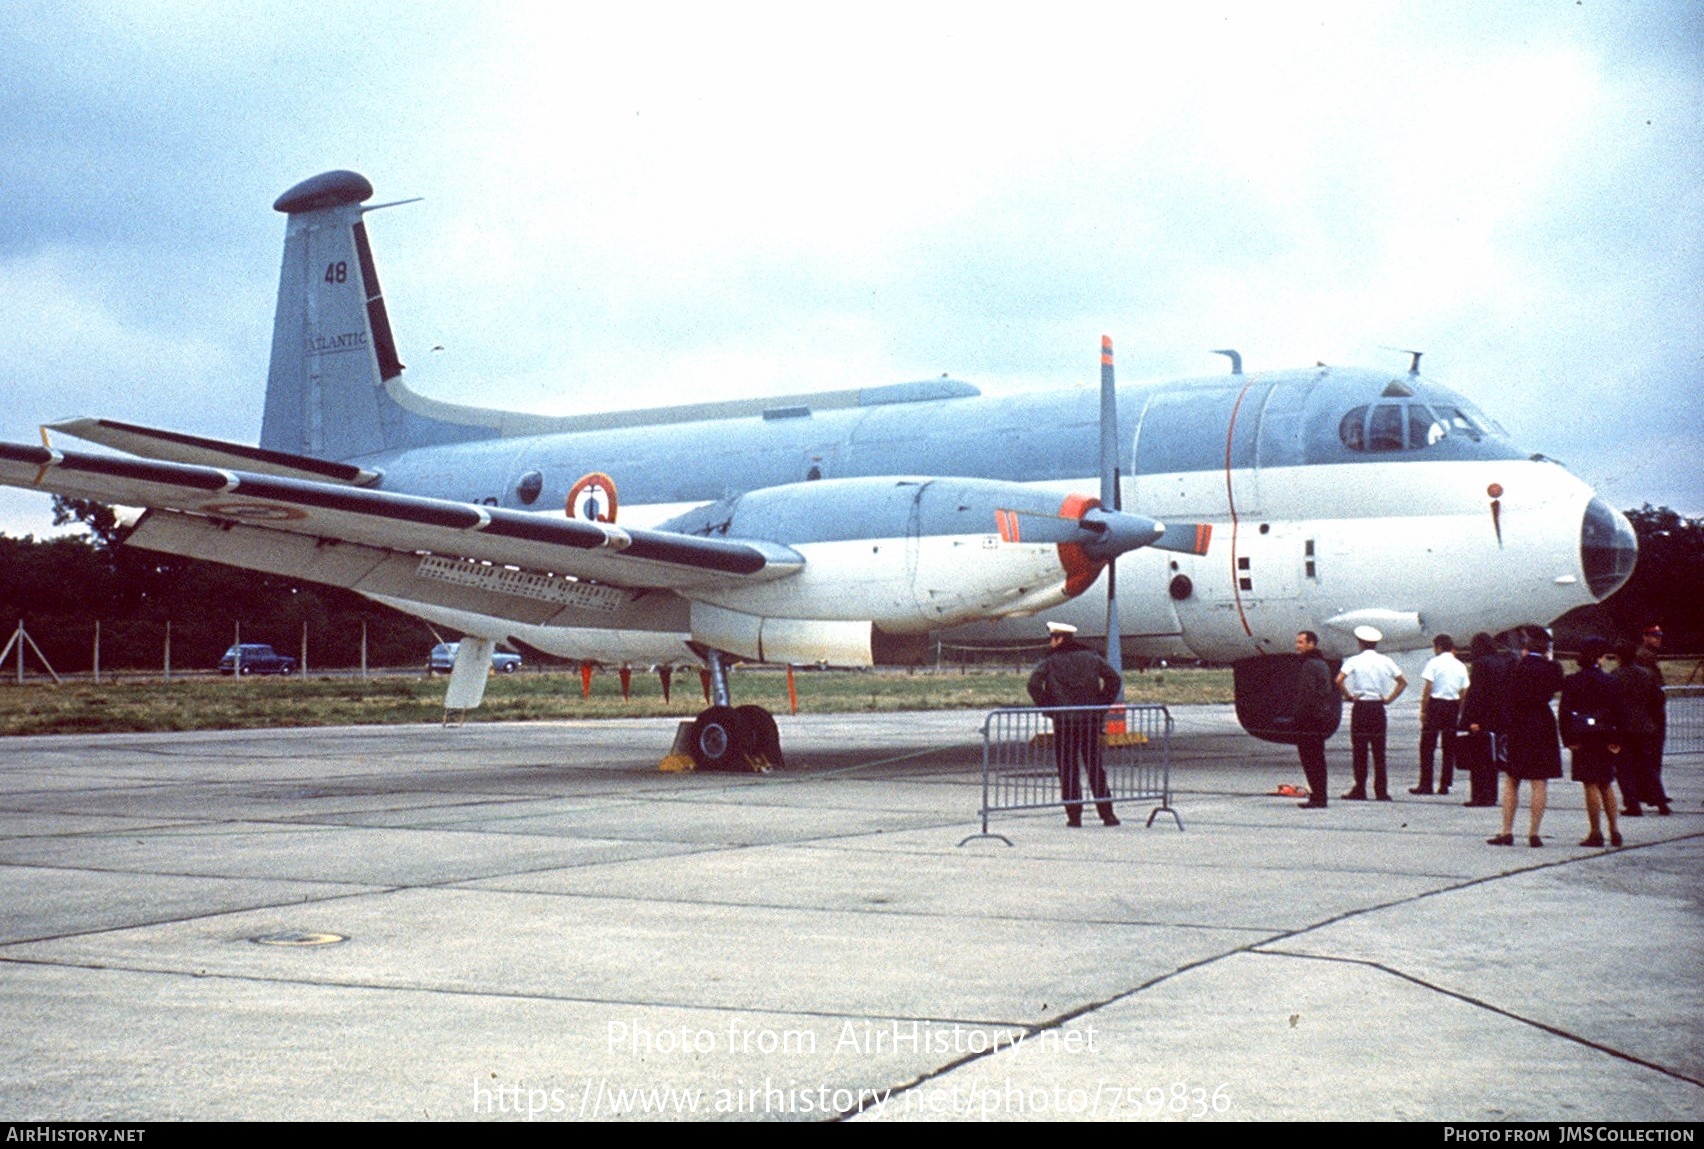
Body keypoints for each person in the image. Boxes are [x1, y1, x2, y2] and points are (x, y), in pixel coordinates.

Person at [1027, 621, 1124, 827]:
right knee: (1095, 768)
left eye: (1053, 638)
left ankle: (1074, 816)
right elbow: (1114, 679)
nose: (1051, 642)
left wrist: (1049, 707)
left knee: (1068, 769)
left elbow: (1033, 684)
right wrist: (1101, 705)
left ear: (1060, 638)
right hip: (1089, 721)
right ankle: (1107, 814)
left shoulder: (1050, 661)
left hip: (1064, 722)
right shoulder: (1091, 657)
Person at [1488, 626, 1564, 847]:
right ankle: (1534, 833)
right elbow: (1557, 686)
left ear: (1526, 646)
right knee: (1539, 781)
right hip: (1543, 721)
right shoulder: (1553, 668)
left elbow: (1509, 695)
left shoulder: (1517, 667)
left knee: (1513, 779)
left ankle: (1507, 830)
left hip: (1521, 723)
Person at [1560, 637, 1622, 848]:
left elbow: (1565, 713)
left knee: (1590, 785)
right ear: (1599, 658)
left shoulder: (1572, 681)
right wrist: (1617, 739)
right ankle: (1614, 830)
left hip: (1583, 736)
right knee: (1606, 784)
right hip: (1605, 735)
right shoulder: (1612, 681)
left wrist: (1568, 739)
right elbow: (1619, 713)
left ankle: (1595, 831)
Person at [1335, 625, 1406, 800]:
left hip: (1361, 707)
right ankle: (1381, 790)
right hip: (1377, 707)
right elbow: (1402, 682)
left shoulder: (1354, 660)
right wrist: (1389, 699)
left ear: (1360, 643)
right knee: (1379, 751)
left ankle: (1360, 788)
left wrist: (1349, 696)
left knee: (1359, 750)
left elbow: (1338, 680)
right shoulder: (1385, 661)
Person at [1456, 632, 1512, 807]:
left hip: (1483, 716)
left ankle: (1479, 795)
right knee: (1492, 758)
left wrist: (1470, 719)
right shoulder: (1503, 662)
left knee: (1478, 759)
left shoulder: (1480, 665)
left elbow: (1476, 694)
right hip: (1500, 716)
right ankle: (1491, 795)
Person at [1613, 638, 1665, 818]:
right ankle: (1660, 800)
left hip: (1623, 727)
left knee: (1624, 768)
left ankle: (1632, 803)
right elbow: (1657, 699)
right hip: (1644, 725)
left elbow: (1611, 704)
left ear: (1618, 657)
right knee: (1647, 765)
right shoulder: (1647, 674)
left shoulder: (1615, 676)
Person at [1625, 625, 1672, 816]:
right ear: (1645, 637)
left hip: (1647, 714)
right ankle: (1652, 794)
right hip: (1649, 714)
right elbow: (1649, 687)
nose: (1657, 640)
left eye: (1659, 636)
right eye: (1654, 636)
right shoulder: (1644, 656)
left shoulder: (1647, 655)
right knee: (1649, 758)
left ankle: (1649, 794)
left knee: (1648, 758)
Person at [1414, 634, 1468, 795]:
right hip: (1452, 706)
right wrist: (1460, 710)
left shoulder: (1434, 663)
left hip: (1435, 705)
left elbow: (1428, 688)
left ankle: (1426, 784)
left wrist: (1423, 710)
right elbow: (1464, 691)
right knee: (1448, 748)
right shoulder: (1460, 665)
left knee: (1427, 746)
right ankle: (1445, 785)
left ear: (1438, 647)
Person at [1292, 630, 1338, 808]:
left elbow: (1307, 694)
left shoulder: (1309, 665)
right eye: (1297, 642)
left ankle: (1317, 797)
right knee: (1318, 759)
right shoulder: (1321, 663)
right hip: (1319, 717)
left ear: (1312, 644)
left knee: (1311, 760)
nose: (1298, 646)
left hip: (1309, 719)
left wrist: (1299, 717)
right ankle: (1320, 795)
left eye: (1301, 642)